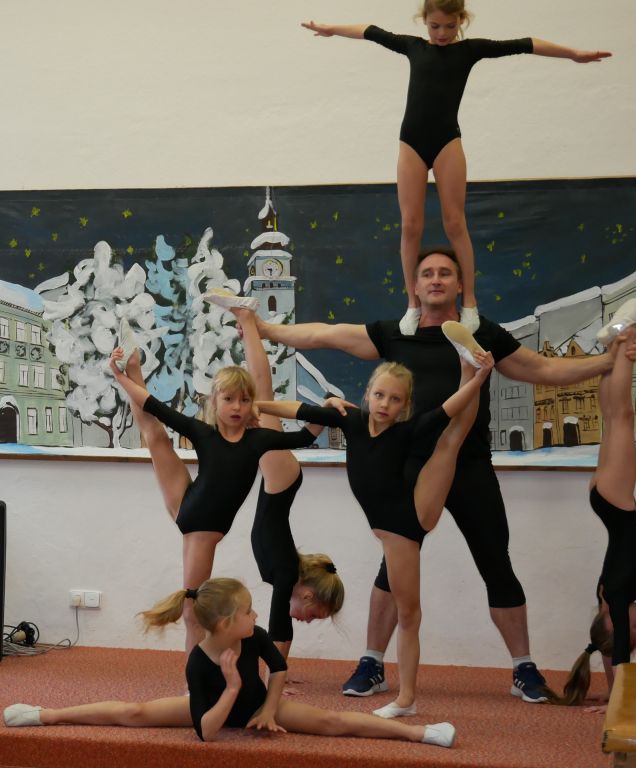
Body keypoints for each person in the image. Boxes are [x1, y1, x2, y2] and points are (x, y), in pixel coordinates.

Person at [254, 246, 633, 704]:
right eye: (427, 273)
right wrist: (265, 329)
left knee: (496, 563)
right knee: (391, 570)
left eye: (445, 273)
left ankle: (524, 669)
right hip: (409, 471)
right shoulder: (396, 334)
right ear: (415, 286)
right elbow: (325, 334)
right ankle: (372, 663)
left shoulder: (483, 334)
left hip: (469, 466)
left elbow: (543, 369)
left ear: (459, 285)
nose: (436, 279)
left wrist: (607, 362)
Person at [302, 0, 611, 335]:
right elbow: (369, 31)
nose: (442, 33)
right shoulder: (413, 46)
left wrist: (572, 54)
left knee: (455, 223)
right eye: (435, 26)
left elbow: (526, 44)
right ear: (424, 20)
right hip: (411, 143)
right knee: (411, 225)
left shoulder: (469, 51)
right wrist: (331, 29)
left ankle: (470, 303)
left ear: (461, 20)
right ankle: (412, 304)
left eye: (450, 26)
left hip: (447, 141)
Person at [256, 334, 493, 717]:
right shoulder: (351, 420)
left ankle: (407, 699)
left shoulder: (405, 431)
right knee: (449, 443)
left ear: (404, 405)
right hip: (394, 523)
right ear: (368, 394)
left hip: (405, 525)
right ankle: (468, 364)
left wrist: (479, 379)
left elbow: (449, 409)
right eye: (380, 395)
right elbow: (299, 409)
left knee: (409, 613)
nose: (385, 404)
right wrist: (257, 406)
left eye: (395, 399)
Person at [3, 578, 456, 750]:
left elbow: (278, 670)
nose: (256, 616)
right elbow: (206, 732)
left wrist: (267, 708)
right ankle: (46, 715)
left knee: (334, 722)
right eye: (248, 611)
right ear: (224, 623)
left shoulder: (254, 636)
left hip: (258, 705)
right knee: (133, 712)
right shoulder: (199, 664)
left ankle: (420, 733)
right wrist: (234, 687)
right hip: (217, 709)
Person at [109, 326, 320, 654]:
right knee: (193, 611)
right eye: (229, 399)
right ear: (215, 402)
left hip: (191, 505)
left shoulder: (258, 440)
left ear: (252, 405)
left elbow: (305, 436)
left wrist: (326, 410)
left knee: (156, 437)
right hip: (200, 528)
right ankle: (193, 679)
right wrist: (122, 377)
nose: (237, 406)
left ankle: (199, 669)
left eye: (245, 400)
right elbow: (153, 406)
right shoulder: (203, 433)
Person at [226, 304, 345, 657]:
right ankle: (247, 320)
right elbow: (281, 626)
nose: (307, 620)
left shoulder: (287, 574)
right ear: (307, 595)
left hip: (281, 481)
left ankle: (249, 331)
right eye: (314, 615)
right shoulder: (286, 574)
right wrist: (277, 674)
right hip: (282, 481)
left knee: (258, 404)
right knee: (261, 398)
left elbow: (280, 624)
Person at [546, 323, 636, 710]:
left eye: (635, 625)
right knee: (611, 416)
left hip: (617, 501)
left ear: (612, 618)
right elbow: (609, 648)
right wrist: (610, 689)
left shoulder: (618, 599)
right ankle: (613, 348)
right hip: (604, 500)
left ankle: (624, 337)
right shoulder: (605, 597)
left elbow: (618, 649)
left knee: (621, 416)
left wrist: (617, 705)